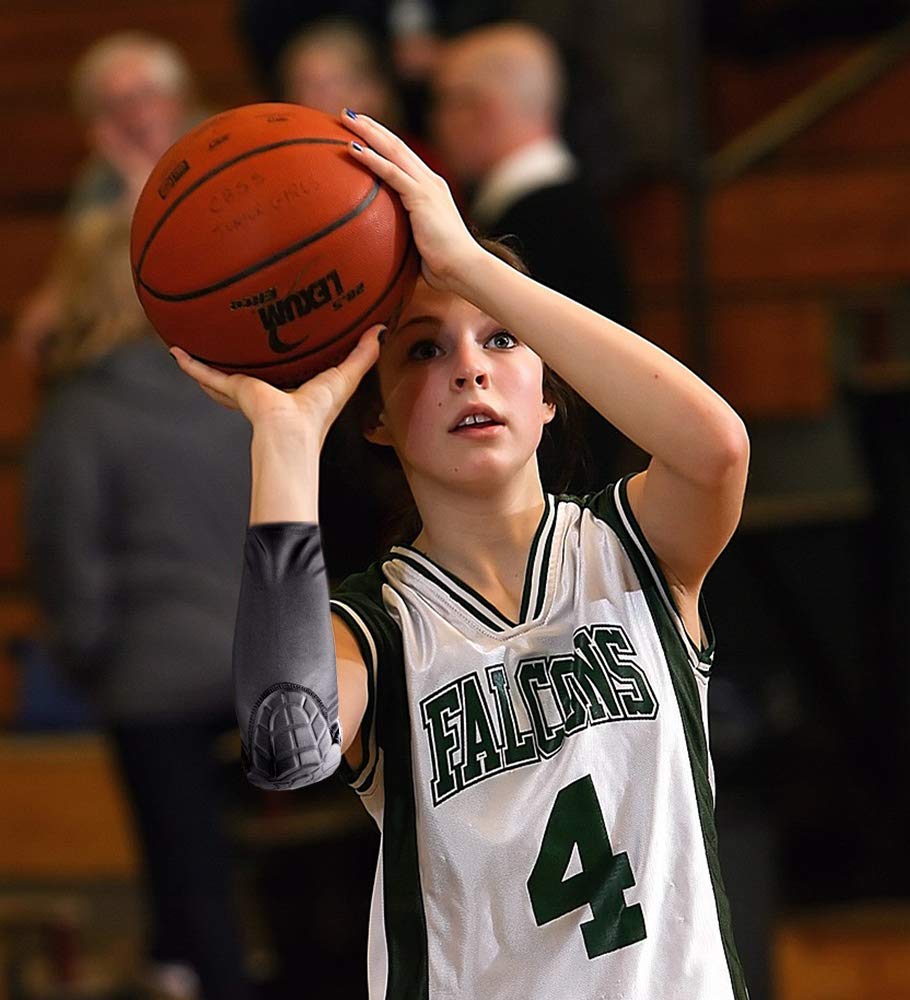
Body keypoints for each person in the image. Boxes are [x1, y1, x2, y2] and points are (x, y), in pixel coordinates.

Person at [172, 110, 751, 999]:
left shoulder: (634, 547)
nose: (470, 369)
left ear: (551, 391)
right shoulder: (375, 629)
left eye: (501, 338)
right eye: (424, 349)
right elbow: (286, 745)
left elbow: (718, 450)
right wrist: (285, 442)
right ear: (375, 416)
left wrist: (471, 264)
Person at [25, 207, 255, 1000]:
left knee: (189, 880)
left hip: (152, 681)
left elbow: (68, 560)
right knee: (253, 878)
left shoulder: (80, 410)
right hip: (262, 663)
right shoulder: (232, 392)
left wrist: (84, 659)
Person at [431, 21, 637, 486]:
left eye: (443, 102)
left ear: (482, 108)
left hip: (549, 492)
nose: (436, 122)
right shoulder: (574, 211)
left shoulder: (536, 227)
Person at [13, 32, 198, 367]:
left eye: (144, 95)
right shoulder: (99, 179)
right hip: (122, 354)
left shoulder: (220, 150)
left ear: (178, 99)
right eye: (115, 105)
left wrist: (140, 183)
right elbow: (61, 289)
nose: (134, 115)